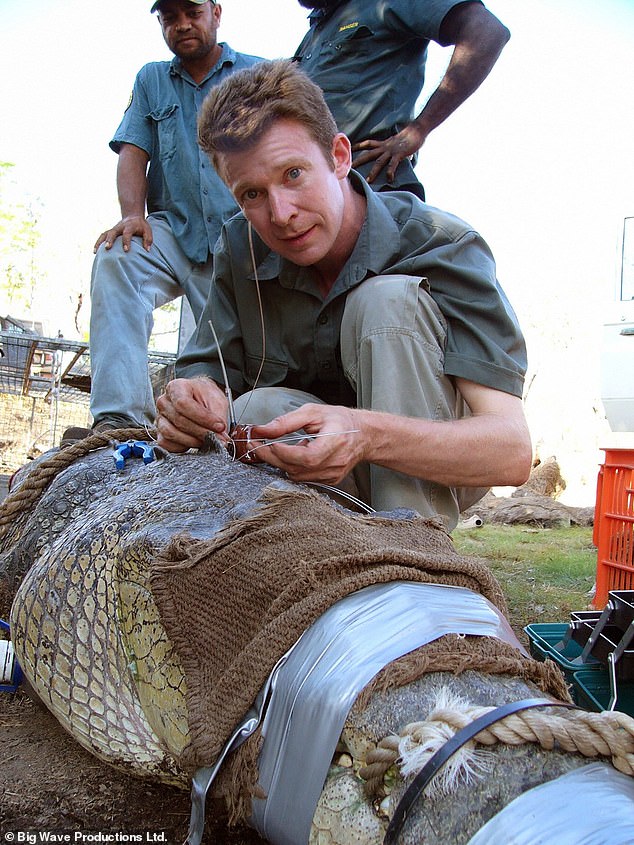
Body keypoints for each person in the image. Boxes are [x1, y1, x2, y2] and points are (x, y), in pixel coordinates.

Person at [155, 60, 532, 529]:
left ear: (338, 156)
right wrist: (190, 400)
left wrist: (365, 436)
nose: (282, 213)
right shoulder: (239, 251)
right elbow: (206, 374)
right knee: (253, 410)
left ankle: (413, 559)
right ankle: (313, 571)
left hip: (438, 467)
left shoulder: (444, 244)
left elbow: (511, 451)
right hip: (321, 478)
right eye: (251, 194)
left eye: (293, 174)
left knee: (388, 302)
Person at [62, 0, 260, 443]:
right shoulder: (151, 79)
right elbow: (133, 149)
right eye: (170, 17)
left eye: (191, 11)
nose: (182, 24)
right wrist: (132, 215)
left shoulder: (258, 74)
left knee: (228, 370)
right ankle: (119, 417)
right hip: (177, 231)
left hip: (246, 241)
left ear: (216, 12)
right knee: (118, 256)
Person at [293, 0, 510, 198]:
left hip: (374, 190)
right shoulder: (313, 36)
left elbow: (486, 31)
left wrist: (420, 128)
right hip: (316, 199)